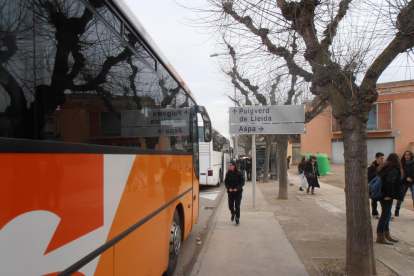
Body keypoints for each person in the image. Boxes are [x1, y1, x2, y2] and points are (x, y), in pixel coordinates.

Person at [375, 153, 403, 245]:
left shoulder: (384, 168)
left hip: (382, 193)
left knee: (387, 214)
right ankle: (380, 236)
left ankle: (386, 235)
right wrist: (389, 195)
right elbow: (390, 181)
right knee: (385, 214)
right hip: (386, 195)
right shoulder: (393, 169)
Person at [225, 160, 245, 226]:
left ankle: (237, 219)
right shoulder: (228, 173)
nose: (229, 167)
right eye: (229, 165)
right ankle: (233, 213)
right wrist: (229, 188)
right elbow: (226, 182)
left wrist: (237, 188)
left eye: (230, 165)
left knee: (237, 206)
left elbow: (242, 182)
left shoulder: (239, 173)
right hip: (230, 192)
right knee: (230, 205)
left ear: (234, 166)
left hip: (238, 192)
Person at [394, 150, 414, 217]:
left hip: (413, 182)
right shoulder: (402, 164)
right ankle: (397, 209)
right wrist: (405, 178)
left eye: (408, 155)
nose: (407, 156)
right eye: (406, 155)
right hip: (404, 182)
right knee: (401, 196)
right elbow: (400, 174)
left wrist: (412, 179)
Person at [368, 152, 385, 219]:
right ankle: (375, 213)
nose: (382, 160)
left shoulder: (384, 166)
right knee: (374, 200)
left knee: (383, 201)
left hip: (382, 186)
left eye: (383, 159)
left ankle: (386, 214)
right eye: (381, 159)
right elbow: (369, 177)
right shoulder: (371, 168)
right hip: (374, 186)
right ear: (376, 158)